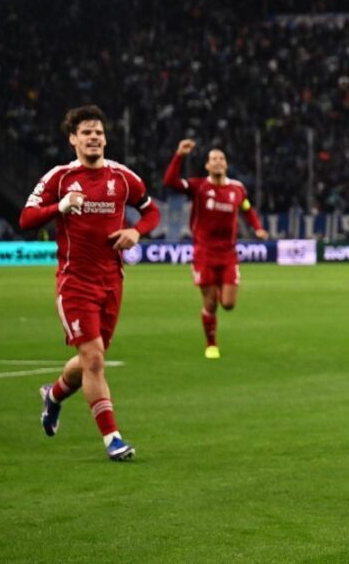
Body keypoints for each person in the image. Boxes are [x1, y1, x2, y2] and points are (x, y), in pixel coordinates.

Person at [19, 105, 160, 461]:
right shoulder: (60, 178)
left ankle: (53, 394)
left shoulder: (123, 177)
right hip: (75, 283)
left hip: (112, 281)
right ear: (73, 139)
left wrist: (136, 231)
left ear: (105, 139)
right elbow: (26, 219)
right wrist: (60, 207)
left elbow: (151, 211)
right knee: (94, 359)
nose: (94, 137)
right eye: (86, 133)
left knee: (89, 360)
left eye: (98, 132)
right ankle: (113, 438)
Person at [163, 139, 268, 359]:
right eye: (214, 159)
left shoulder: (237, 189)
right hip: (204, 253)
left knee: (228, 304)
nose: (218, 162)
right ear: (207, 166)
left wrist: (257, 227)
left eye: (221, 159)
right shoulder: (199, 186)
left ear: (226, 165)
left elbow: (247, 208)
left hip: (228, 254)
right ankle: (211, 344)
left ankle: (219, 287)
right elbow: (170, 181)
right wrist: (179, 155)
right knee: (210, 304)